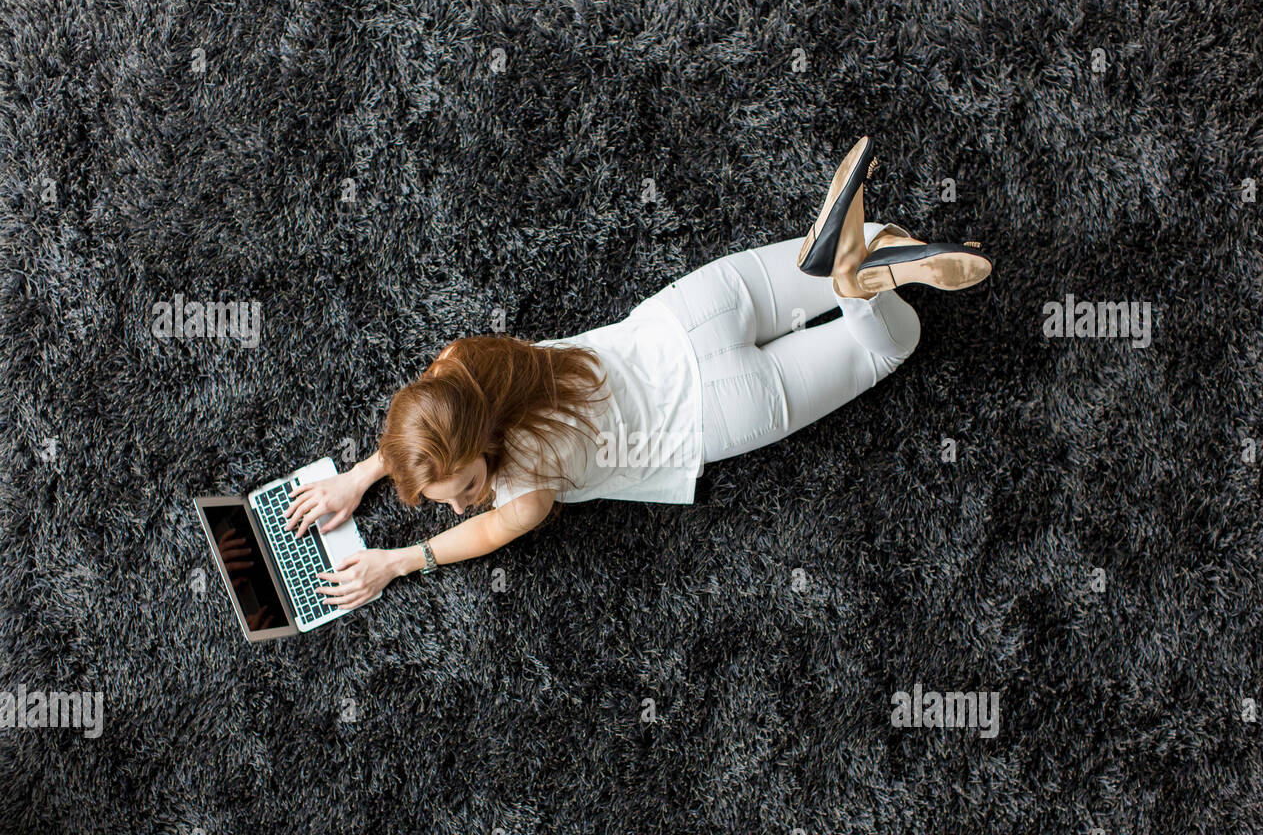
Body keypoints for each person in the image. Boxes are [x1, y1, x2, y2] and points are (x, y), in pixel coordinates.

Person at [283, 135, 992, 610]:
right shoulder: (467, 362)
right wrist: (365, 473)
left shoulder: (526, 492)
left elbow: (481, 535)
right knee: (849, 242)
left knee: (890, 346)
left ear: (484, 451)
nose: (461, 504)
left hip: (721, 412)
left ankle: (855, 291)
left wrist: (396, 562)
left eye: (466, 487)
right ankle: (861, 257)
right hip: (694, 312)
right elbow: (434, 417)